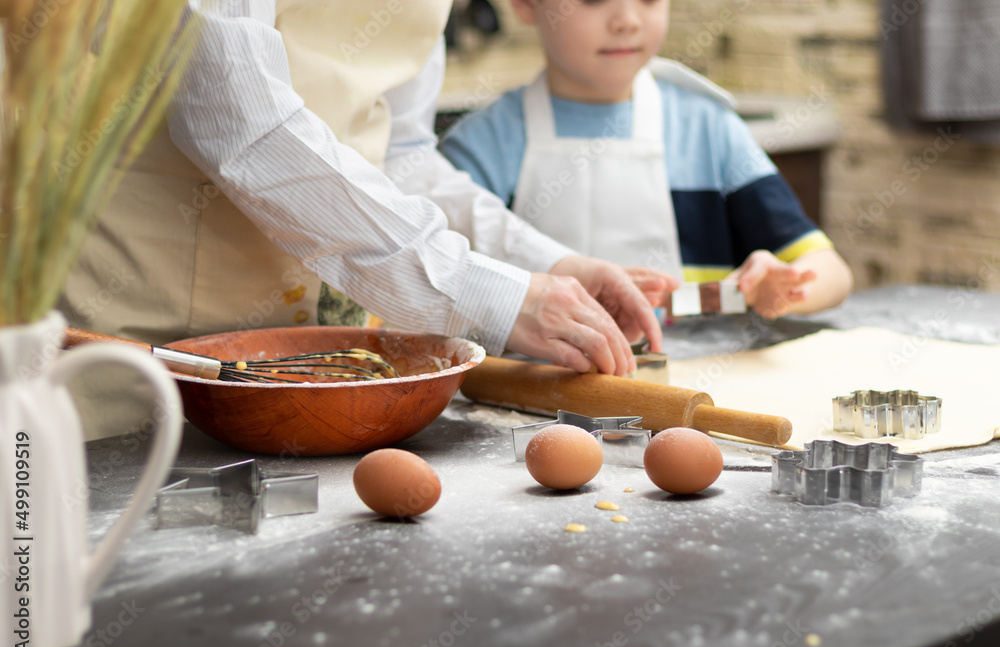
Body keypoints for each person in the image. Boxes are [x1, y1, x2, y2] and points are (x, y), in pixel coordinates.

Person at [59, 0, 679, 378]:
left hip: (319, 368)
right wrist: (489, 298)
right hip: (143, 345)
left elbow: (402, 155)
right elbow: (238, 124)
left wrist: (551, 267)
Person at [438, 0, 853, 318]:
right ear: (526, 4)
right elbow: (439, 285)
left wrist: (785, 288)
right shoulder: (480, 147)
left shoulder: (709, 130)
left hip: (699, 399)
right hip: (537, 409)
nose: (627, 20)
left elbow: (833, 272)